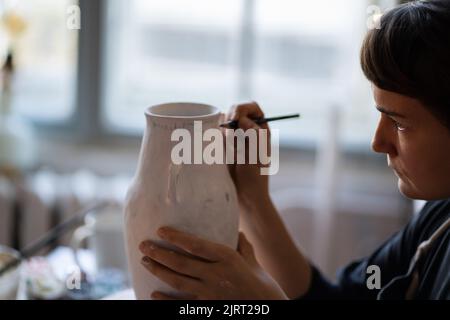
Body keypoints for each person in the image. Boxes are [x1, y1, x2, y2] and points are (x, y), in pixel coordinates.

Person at [138, 0, 450, 300]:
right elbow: (335, 300)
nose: (377, 142)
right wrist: (251, 197)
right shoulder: (438, 219)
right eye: (380, 114)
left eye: (398, 122)